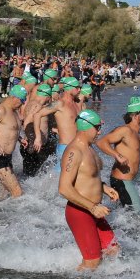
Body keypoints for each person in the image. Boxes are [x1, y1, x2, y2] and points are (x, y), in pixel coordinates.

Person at [58, 109, 120, 270]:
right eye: (97, 127)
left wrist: (103, 187)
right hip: (81, 212)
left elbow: (87, 178)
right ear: (85, 127)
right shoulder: (74, 151)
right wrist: (92, 206)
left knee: (113, 251)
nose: (100, 131)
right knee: (92, 262)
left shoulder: (90, 148)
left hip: (95, 211)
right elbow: (64, 188)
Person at [0, 84, 27, 198]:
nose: (23, 103)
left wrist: (20, 139)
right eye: (22, 100)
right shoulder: (0, 110)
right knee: (17, 192)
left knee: (4, 195)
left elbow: (9, 130)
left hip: (7, 157)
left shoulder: (14, 111)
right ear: (13, 97)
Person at [33, 77, 82, 171]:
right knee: (61, 178)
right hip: (65, 147)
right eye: (77, 87)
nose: (79, 90)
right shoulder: (59, 104)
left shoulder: (76, 104)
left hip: (78, 146)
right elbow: (37, 115)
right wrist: (38, 138)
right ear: (69, 88)